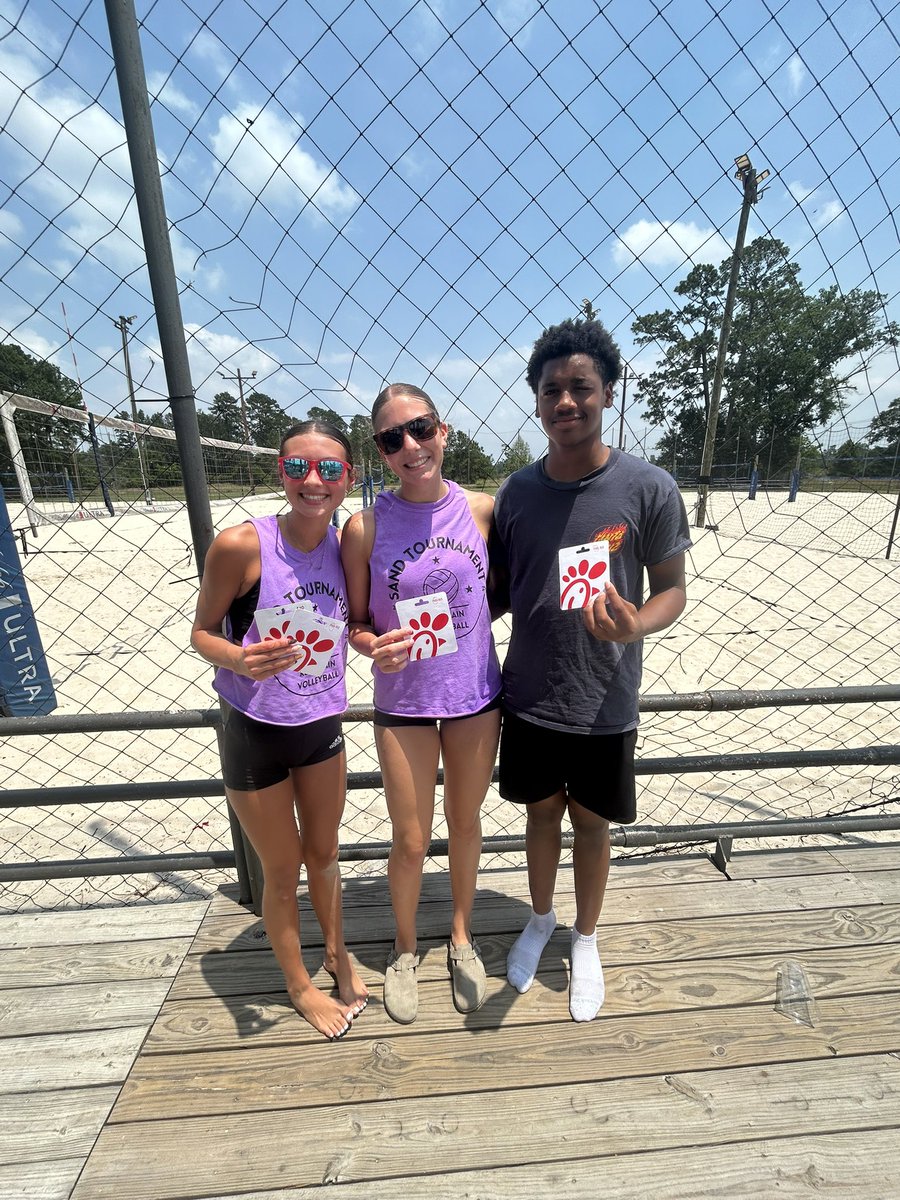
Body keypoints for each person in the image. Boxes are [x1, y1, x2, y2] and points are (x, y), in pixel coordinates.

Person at [490, 317, 691, 1022]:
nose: (566, 402)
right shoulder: (515, 494)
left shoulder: (648, 487)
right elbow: (495, 592)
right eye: (553, 390)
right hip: (531, 693)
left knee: (592, 823)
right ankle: (540, 918)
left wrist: (637, 620)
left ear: (608, 393)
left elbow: (672, 587)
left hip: (605, 696)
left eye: (581, 387)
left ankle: (586, 936)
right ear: (536, 401)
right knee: (540, 814)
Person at [191, 420, 368, 1041]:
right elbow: (201, 632)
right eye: (298, 468)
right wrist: (238, 657)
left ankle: (336, 953)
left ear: (349, 477)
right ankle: (298, 985)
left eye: (329, 469)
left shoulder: (350, 545)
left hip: (320, 723)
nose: (313, 481)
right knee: (283, 867)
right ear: (279, 472)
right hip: (255, 729)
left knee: (325, 855)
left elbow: (366, 616)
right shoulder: (242, 545)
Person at [341, 384, 501, 1024]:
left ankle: (460, 937)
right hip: (404, 697)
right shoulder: (366, 527)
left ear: (444, 432)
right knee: (410, 839)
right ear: (382, 453)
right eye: (392, 438)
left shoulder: (484, 509)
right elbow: (353, 621)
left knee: (465, 823)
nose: (410, 445)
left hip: (473, 694)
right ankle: (405, 947)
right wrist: (372, 645)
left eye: (421, 429)